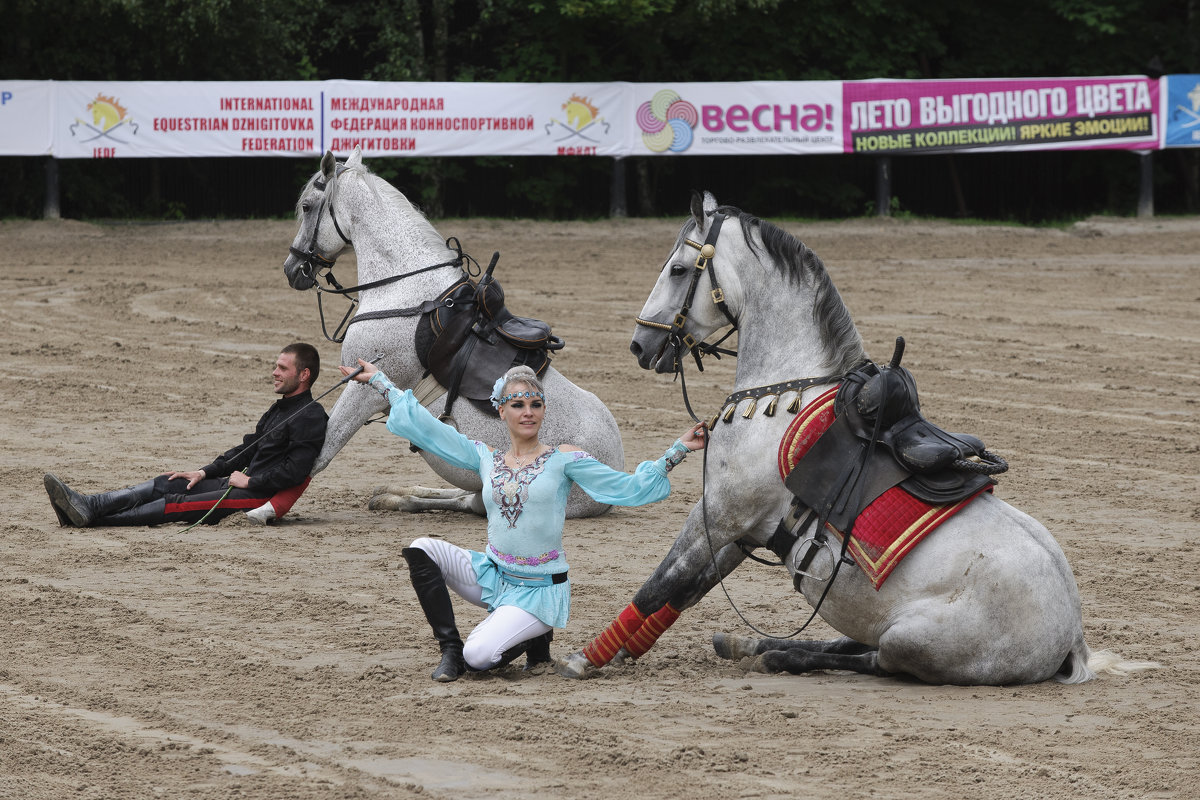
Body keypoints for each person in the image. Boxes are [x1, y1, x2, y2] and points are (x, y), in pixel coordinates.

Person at [340, 359, 706, 682]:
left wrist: (676, 451)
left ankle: (531, 636)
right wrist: (381, 383)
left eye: (535, 404)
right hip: (492, 575)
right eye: (517, 404)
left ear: (543, 410)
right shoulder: (486, 457)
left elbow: (627, 488)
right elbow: (431, 430)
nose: (528, 411)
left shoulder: (564, 459)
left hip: (539, 591)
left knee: (479, 657)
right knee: (422, 549)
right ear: (501, 411)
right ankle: (449, 649)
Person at [44, 343, 328, 528]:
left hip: (256, 496)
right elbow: (245, 450)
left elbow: (295, 471)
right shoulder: (280, 408)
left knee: (175, 504)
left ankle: (90, 520)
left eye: (282, 368)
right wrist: (204, 472)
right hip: (237, 483)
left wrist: (252, 480)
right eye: (276, 366)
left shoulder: (311, 416)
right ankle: (89, 504)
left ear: (303, 375)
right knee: (166, 483)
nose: (274, 372)